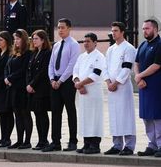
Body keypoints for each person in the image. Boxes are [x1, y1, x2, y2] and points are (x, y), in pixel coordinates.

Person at [43, 18, 80, 152]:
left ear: (69, 28)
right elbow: (51, 64)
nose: (60, 30)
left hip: (67, 82)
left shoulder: (74, 44)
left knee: (70, 111)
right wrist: (52, 79)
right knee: (56, 112)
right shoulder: (57, 45)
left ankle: (72, 141)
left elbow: (72, 65)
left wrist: (61, 81)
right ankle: (55, 141)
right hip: (55, 82)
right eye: (58, 27)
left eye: (63, 27)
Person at [134, 19, 161, 157]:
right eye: (143, 29)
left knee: (158, 115)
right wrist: (138, 77)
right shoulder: (143, 45)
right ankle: (152, 144)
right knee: (147, 116)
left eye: (147, 28)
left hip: (157, 84)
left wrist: (140, 76)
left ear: (155, 29)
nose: (145, 31)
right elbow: (136, 62)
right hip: (143, 85)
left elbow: (157, 65)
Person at [103, 22, 137, 156]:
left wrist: (116, 83)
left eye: (116, 30)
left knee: (126, 116)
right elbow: (105, 67)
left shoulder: (128, 48)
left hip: (122, 87)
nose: (113, 33)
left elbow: (127, 68)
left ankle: (129, 145)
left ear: (122, 32)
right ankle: (117, 144)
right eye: (112, 31)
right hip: (111, 88)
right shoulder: (110, 49)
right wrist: (108, 82)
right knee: (114, 116)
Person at [73, 33, 105, 154]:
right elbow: (75, 71)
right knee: (84, 117)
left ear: (95, 42)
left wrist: (81, 84)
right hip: (82, 92)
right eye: (84, 41)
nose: (85, 43)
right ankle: (86, 143)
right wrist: (78, 83)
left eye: (88, 41)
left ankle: (95, 144)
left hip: (94, 91)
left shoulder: (99, 57)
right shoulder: (81, 57)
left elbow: (95, 74)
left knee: (94, 118)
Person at [4, 29, 32, 149]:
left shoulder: (28, 53)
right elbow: (7, 67)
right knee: (17, 115)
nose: (16, 41)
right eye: (14, 38)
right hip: (12, 88)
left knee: (25, 114)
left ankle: (27, 141)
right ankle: (19, 140)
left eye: (18, 38)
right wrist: (6, 77)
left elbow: (23, 69)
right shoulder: (14, 52)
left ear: (24, 39)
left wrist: (10, 78)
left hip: (21, 88)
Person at [26, 30, 52, 150]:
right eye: (33, 39)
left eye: (36, 39)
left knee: (42, 114)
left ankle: (44, 140)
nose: (34, 41)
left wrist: (33, 85)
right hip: (32, 88)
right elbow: (29, 70)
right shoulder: (34, 52)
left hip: (41, 88)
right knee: (37, 114)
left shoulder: (47, 53)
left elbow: (43, 72)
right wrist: (28, 84)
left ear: (43, 40)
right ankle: (40, 140)